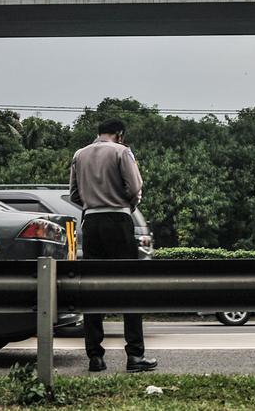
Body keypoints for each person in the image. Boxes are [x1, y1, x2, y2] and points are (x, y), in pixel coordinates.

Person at [68, 118, 157, 373]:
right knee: (129, 286)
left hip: (91, 223)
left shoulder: (79, 154)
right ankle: (135, 355)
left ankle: (95, 356)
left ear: (99, 133)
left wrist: (92, 204)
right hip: (118, 220)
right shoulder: (122, 152)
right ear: (119, 134)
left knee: (92, 289)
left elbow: (74, 194)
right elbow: (136, 187)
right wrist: (127, 204)